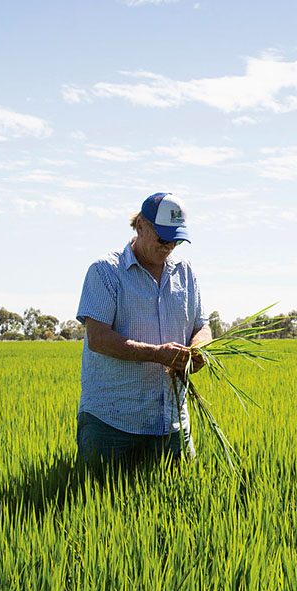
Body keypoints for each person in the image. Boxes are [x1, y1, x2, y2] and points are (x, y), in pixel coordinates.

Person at [75, 192, 211, 468]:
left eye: (175, 240)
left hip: (170, 421)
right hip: (112, 422)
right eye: (162, 238)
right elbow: (98, 339)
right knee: (99, 503)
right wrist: (157, 354)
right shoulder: (105, 271)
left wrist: (196, 351)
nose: (169, 246)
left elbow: (203, 326)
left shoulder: (186, 273)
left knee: (177, 501)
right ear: (140, 227)